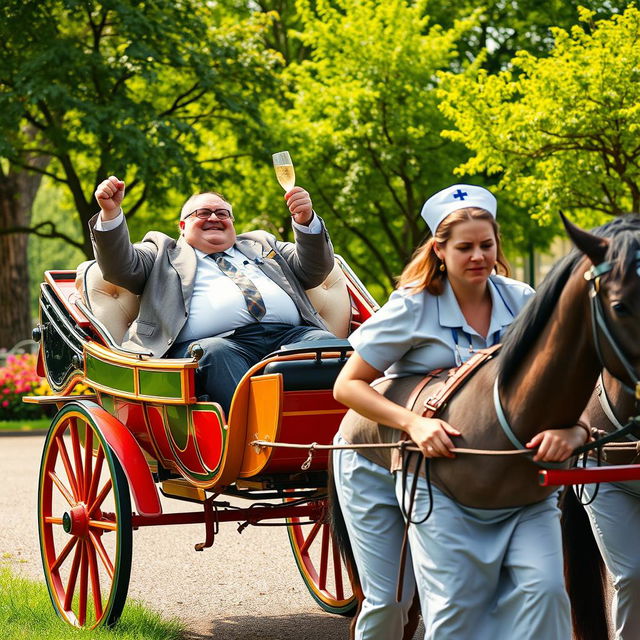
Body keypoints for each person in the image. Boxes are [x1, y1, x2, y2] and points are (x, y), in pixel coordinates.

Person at [332, 184, 589, 639]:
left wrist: (577, 430)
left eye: (486, 245)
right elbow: (348, 386)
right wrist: (415, 423)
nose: (478, 256)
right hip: (388, 458)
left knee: (544, 593)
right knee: (391, 602)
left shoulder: (524, 300)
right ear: (440, 249)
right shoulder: (412, 305)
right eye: (464, 247)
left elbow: (559, 384)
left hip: (494, 472)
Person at [91, 175, 335, 414]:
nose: (214, 218)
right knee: (218, 353)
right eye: (203, 213)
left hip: (289, 336)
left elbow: (314, 270)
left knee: (327, 344)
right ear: (182, 226)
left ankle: (338, 433)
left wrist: (305, 221)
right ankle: (254, 438)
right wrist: (111, 214)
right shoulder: (161, 251)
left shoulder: (262, 243)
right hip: (216, 344)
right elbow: (120, 267)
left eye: (223, 213)